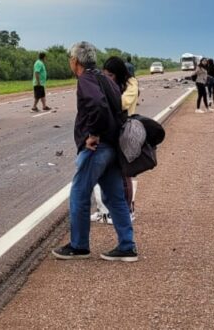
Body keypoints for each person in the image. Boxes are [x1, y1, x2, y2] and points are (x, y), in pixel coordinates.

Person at [52, 41, 137, 262]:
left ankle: (79, 246)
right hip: (112, 147)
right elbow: (117, 105)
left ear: (75, 61)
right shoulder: (103, 78)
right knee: (115, 197)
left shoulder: (86, 80)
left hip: (97, 148)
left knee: (79, 194)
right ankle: (127, 246)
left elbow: (97, 105)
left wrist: (93, 133)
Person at [92, 56, 139, 223]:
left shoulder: (131, 84)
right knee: (104, 174)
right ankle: (103, 210)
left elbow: (123, 104)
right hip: (110, 132)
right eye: (105, 75)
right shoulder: (110, 85)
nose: (108, 79)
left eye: (111, 75)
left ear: (119, 74)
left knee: (123, 174)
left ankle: (128, 211)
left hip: (125, 132)